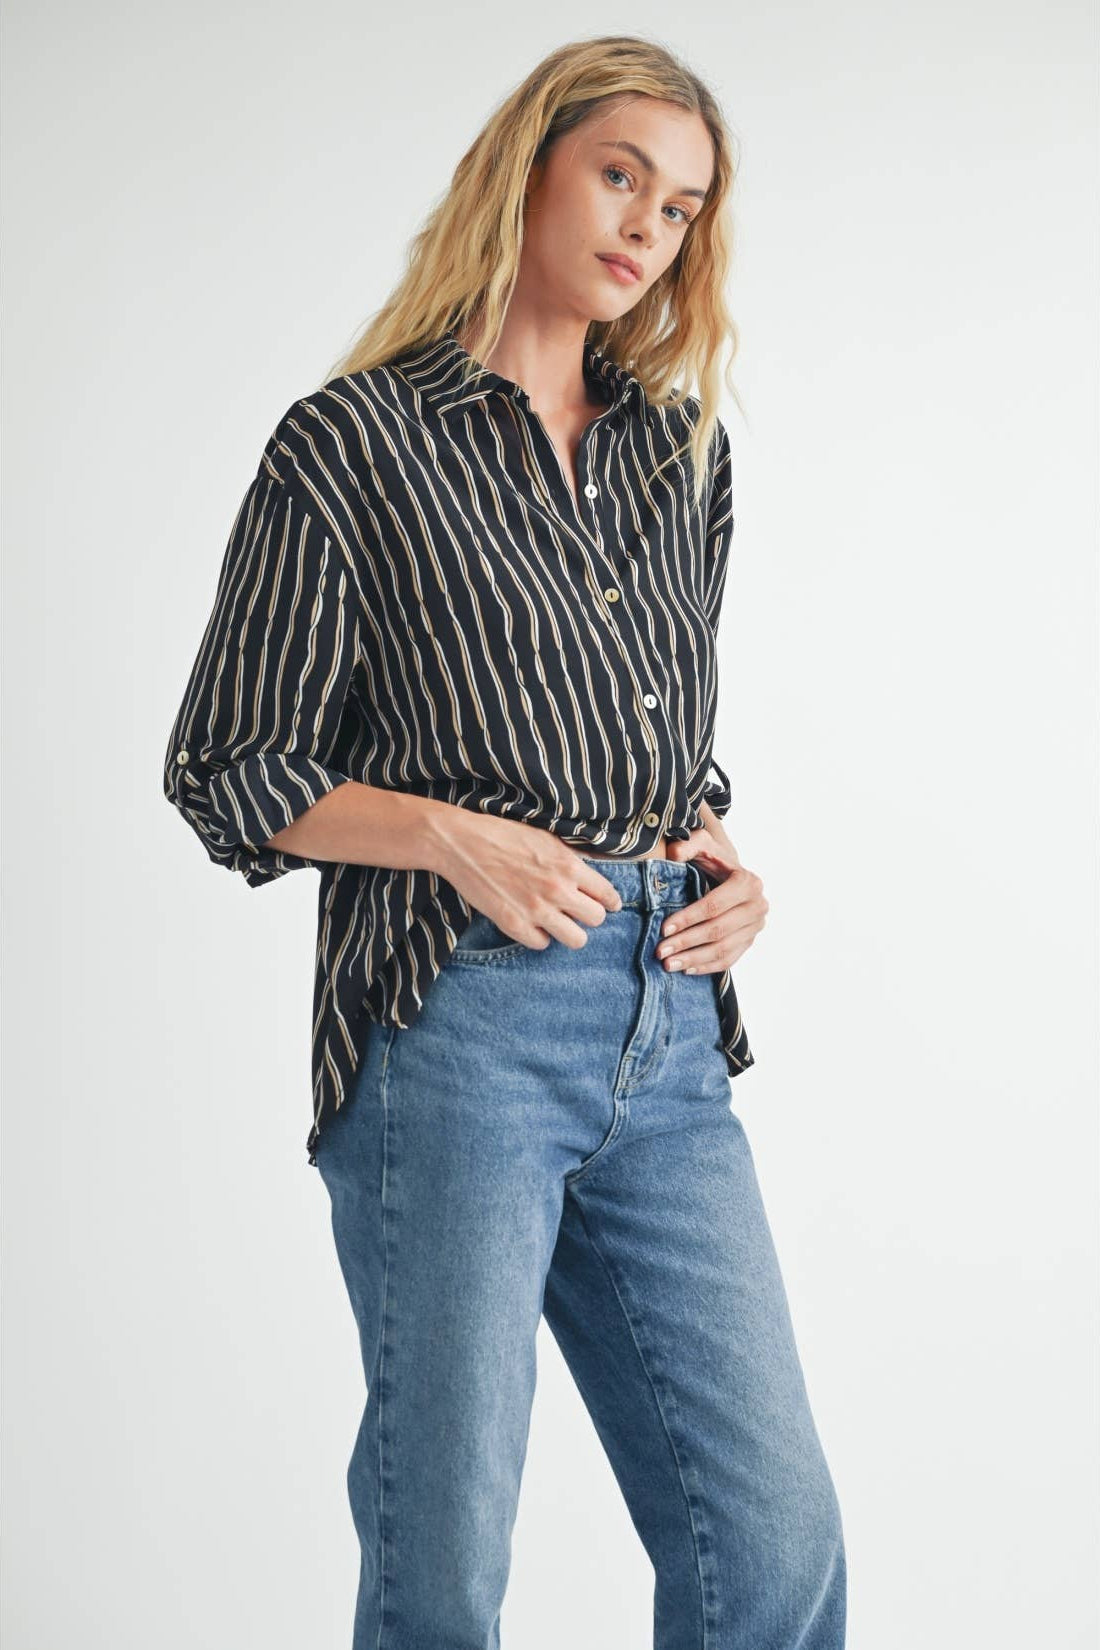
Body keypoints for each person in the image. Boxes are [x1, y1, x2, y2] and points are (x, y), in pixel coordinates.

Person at [162, 32, 846, 1650]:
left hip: (669, 1031)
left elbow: (649, 733)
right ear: (529, 166)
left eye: (680, 209)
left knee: (774, 1542)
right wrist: (451, 838)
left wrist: (722, 855)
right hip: (456, 1022)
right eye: (621, 177)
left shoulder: (685, 460)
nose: (644, 229)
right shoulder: (354, 443)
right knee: (446, 1558)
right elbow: (227, 764)